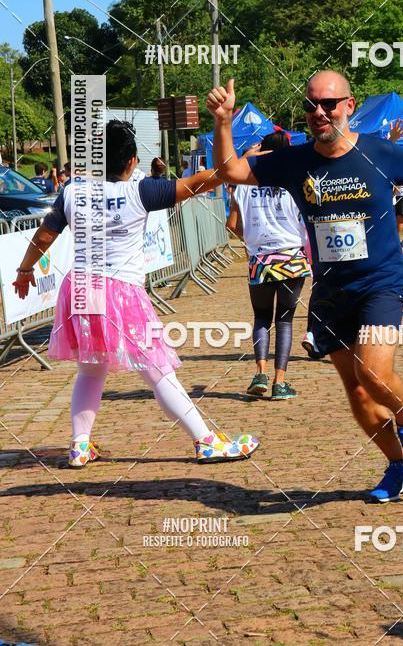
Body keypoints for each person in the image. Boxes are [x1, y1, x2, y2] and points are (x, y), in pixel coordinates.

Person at [207, 73, 403, 503]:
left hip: (380, 282)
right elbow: (230, 171)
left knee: (372, 370)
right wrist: (223, 121)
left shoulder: (382, 153)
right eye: (311, 105)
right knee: (356, 390)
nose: (319, 112)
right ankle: (397, 466)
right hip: (329, 291)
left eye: (329, 104)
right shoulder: (295, 160)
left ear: (349, 105)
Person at [13, 120, 259, 467]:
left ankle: (79, 446)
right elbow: (204, 182)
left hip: (79, 289)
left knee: (90, 370)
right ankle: (206, 441)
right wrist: (244, 162)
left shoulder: (71, 191)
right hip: (121, 293)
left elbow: (42, 237)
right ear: (131, 161)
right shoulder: (141, 191)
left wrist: (24, 272)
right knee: (159, 370)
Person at [226, 132, 311, 400]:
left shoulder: (244, 186)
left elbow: (233, 225)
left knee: (261, 317)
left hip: (260, 259)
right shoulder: (295, 182)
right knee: (284, 320)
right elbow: (306, 223)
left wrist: (251, 241)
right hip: (291, 258)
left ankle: (260, 373)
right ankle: (280, 382)